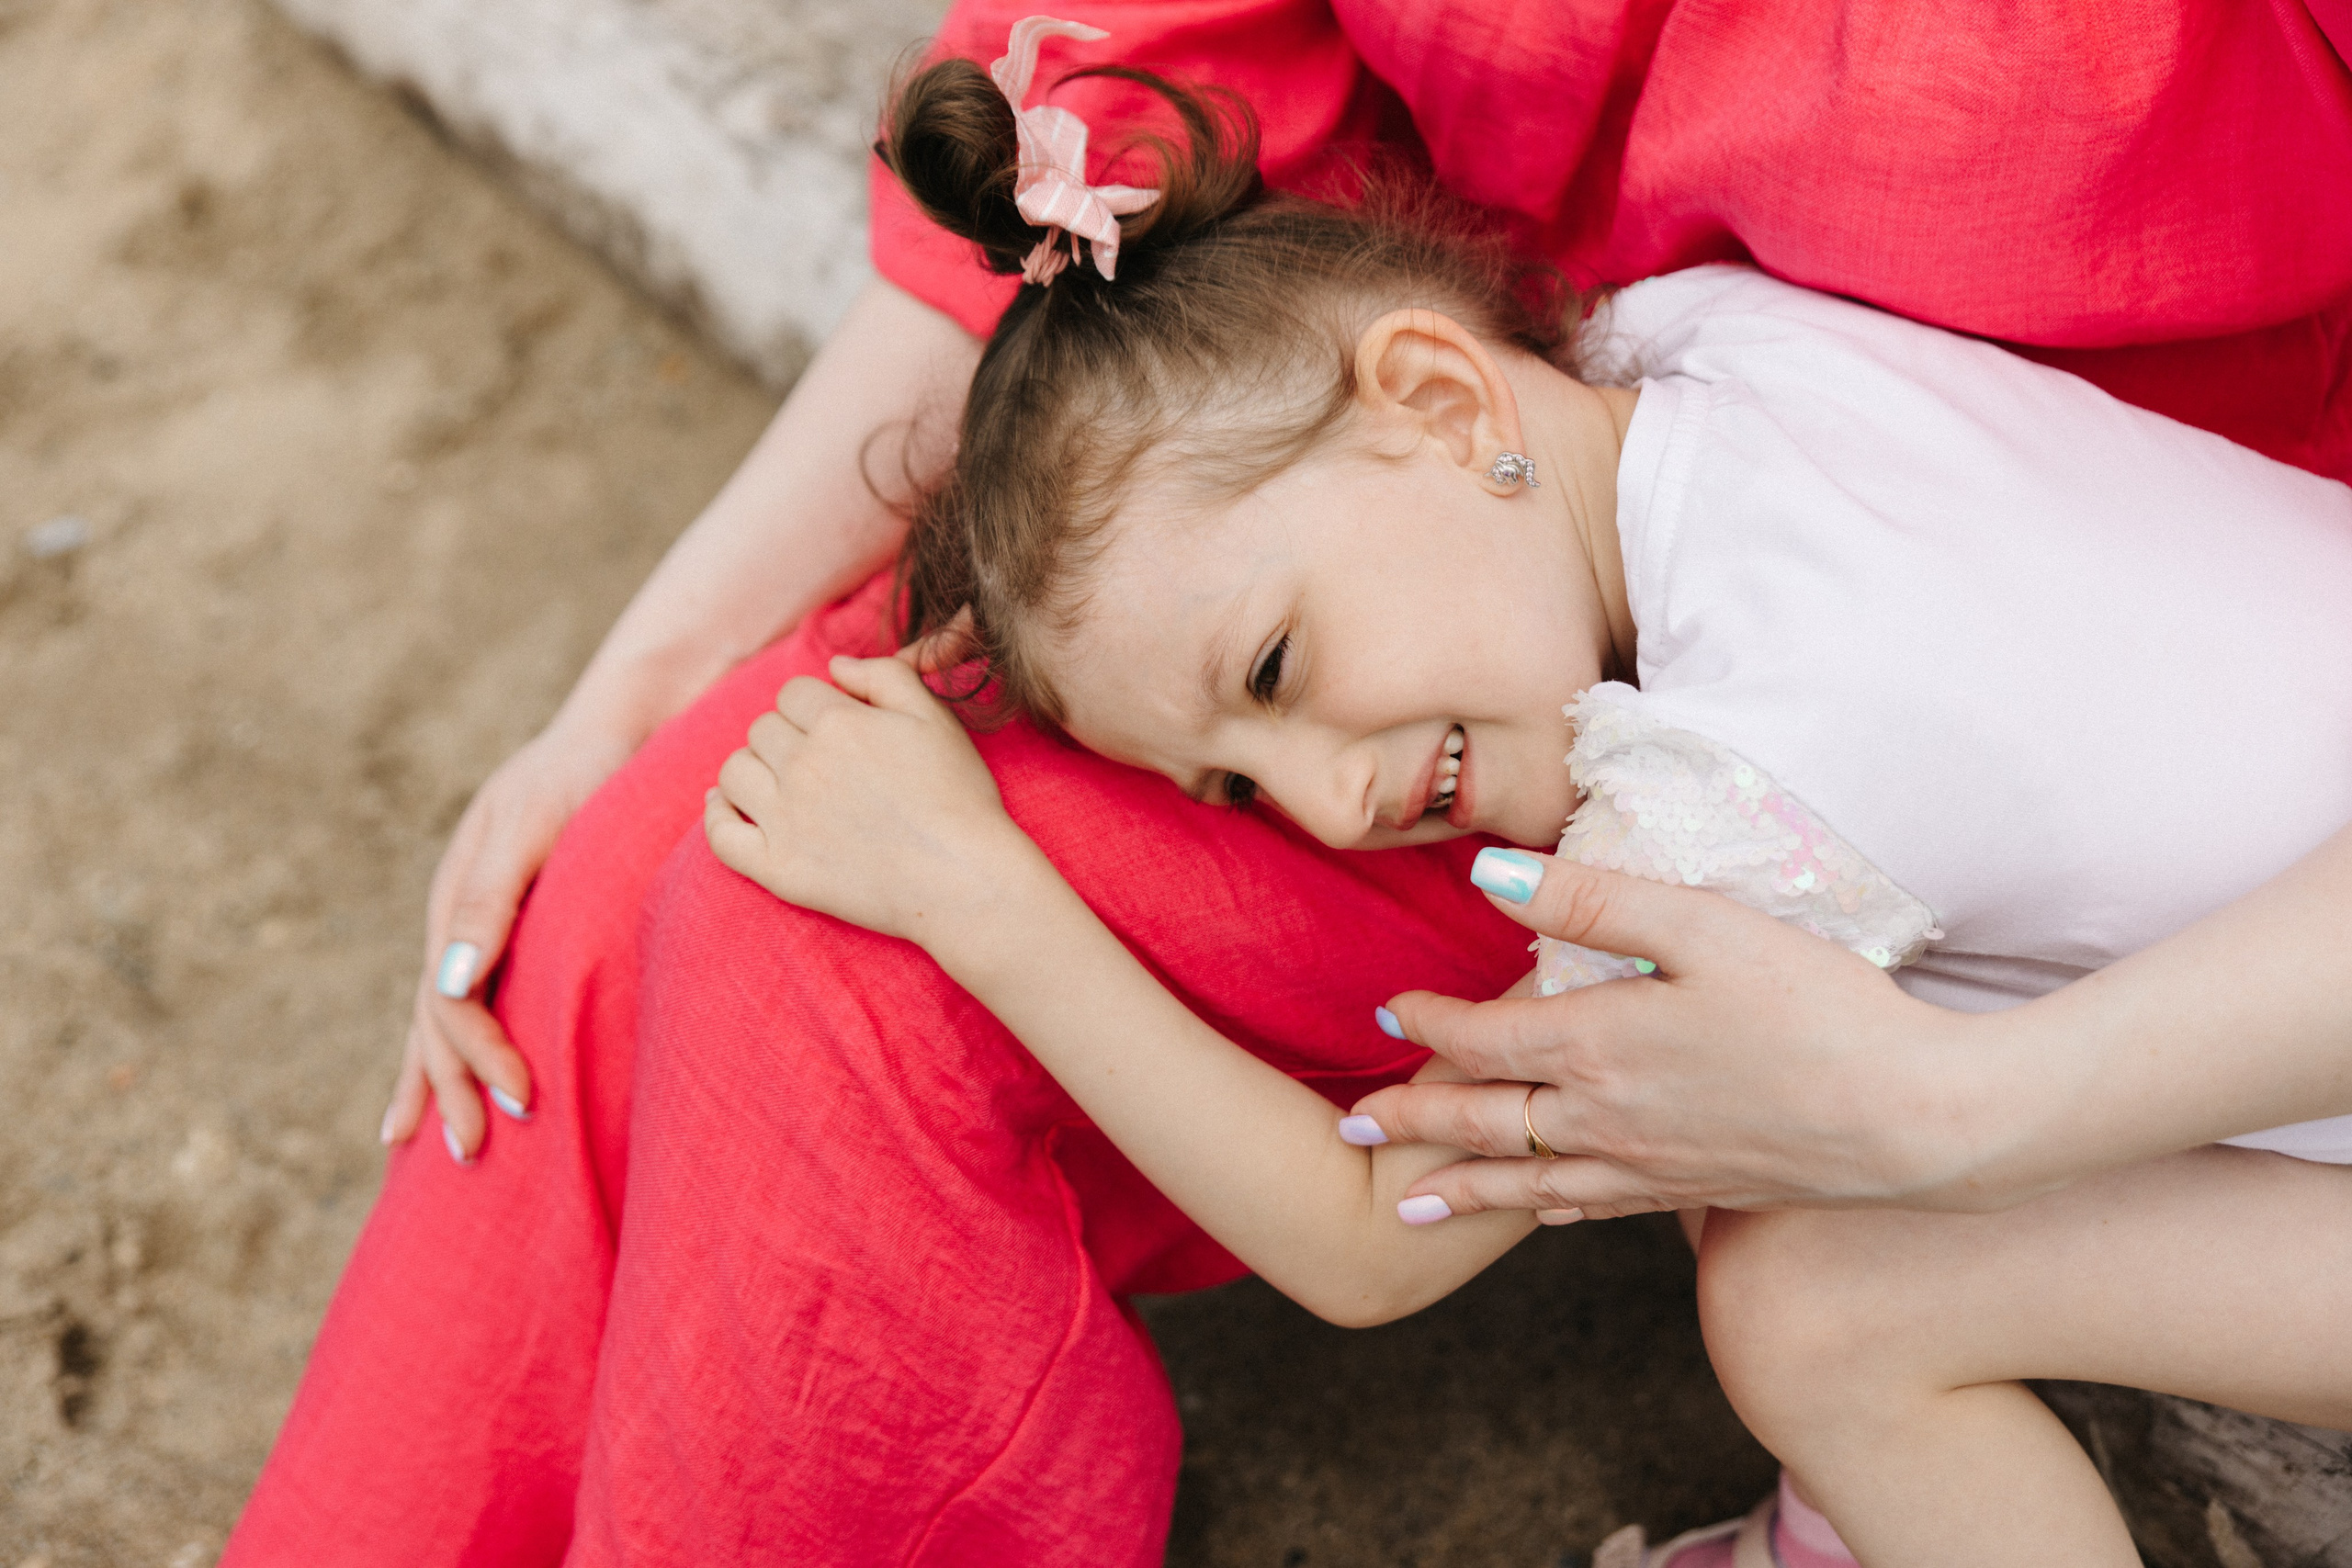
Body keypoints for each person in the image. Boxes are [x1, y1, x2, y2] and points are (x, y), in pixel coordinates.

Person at [225, 3, 2352, 1562]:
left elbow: (1369, 1241)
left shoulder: (1719, 792)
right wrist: (638, 690)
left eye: (1269, 680)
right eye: (1237, 781)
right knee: (699, 831)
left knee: (1788, 1274)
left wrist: (989, 896)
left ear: (1440, 387)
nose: (1327, 804)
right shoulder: (1705, 361)